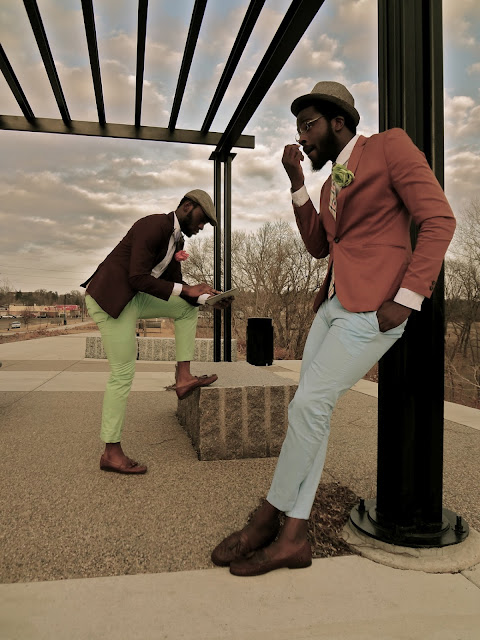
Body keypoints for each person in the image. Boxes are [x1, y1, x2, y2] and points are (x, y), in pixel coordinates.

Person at [211, 81, 456, 576]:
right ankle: (294, 536)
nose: (301, 136)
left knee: (307, 406)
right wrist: (297, 183)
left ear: (338, 122)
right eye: (298, 128)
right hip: (331, 305)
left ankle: (267, 519)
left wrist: (407, 300)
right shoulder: (328, 187)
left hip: (372, 310)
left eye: (308, 125)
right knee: (312, 413)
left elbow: (439, 219)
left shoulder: (389, 147)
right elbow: (319, 246)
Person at [82, 189, 232, 475]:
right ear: (187, 207)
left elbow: (177, 288)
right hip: (111, 299)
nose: (202, 227)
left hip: (135, 296)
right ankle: (110, 452)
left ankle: (184, 377)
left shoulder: (177, 240)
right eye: (202, 219)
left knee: (187, 308)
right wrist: (188, 290)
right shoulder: (152, 226)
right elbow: (137, 277)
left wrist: (206, 299)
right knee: (123, 373)